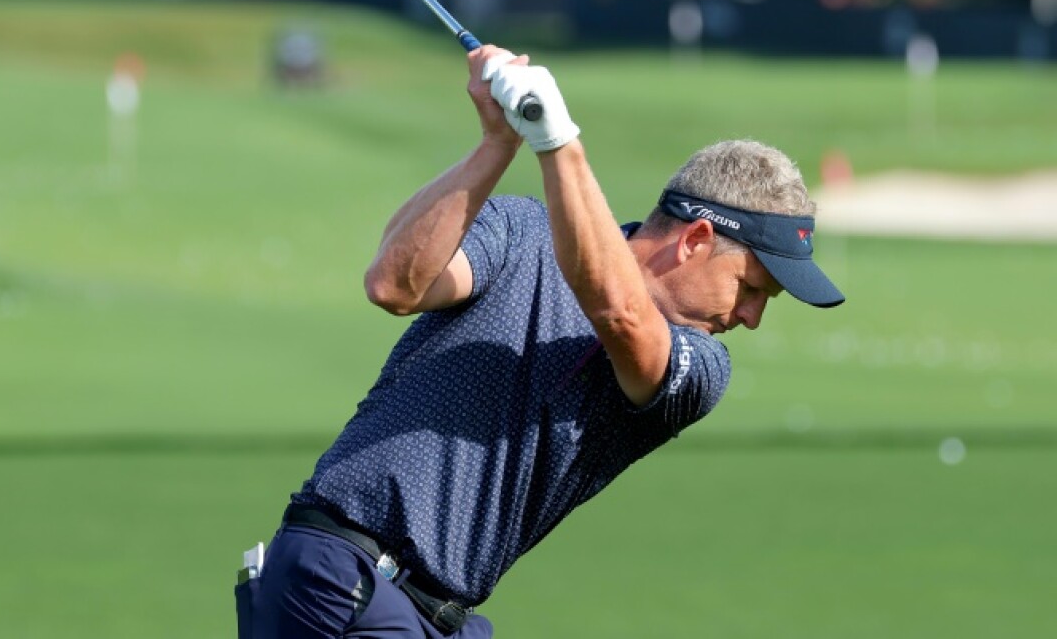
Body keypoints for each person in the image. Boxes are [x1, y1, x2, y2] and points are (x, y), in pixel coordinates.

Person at [237, 45, 844, 638]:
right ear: (695, 241)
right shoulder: (520, 231)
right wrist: (499, 141)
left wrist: (557, 139)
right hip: (339, 577)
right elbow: (394, 283)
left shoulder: (701, 369)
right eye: (751, 288)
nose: (753, 317)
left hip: (432, 615)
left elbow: (620, 315)